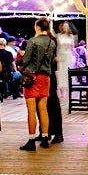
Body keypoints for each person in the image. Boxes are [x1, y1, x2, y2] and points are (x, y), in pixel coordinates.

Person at [17, 17, 55, 150]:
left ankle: (32, 140)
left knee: (31, 111)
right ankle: (45, 138)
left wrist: (21, 56)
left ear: (37, 27)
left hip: (31, 78)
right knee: (43, 109)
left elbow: (25, 61)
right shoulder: (52, 42)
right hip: (45, 78)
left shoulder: (33, 41)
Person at [49, 20, 75, 145]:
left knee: (66, 74)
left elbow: (73, 47)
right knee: (60, 74)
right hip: (61, 55)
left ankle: (66, 89)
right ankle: (61, 90)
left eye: (66, 26)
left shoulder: (71, 37)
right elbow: (57, 47)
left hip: (68, 55)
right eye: (63, 26)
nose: (65, 27)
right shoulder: (58, 37)